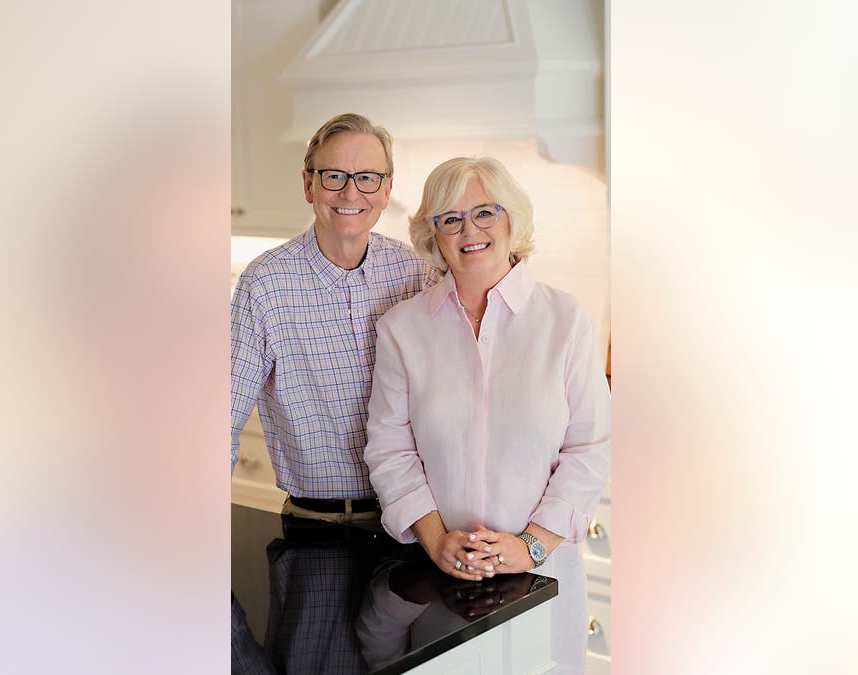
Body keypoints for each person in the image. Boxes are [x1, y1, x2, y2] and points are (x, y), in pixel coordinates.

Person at [363, 156, 611, 672]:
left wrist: (532, 546)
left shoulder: (565, 321)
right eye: (450, 218)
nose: (469, 230)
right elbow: (390, 449)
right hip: (442, 587)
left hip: (542, 580)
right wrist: (437, 541)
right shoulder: (402, 329)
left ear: (511, 220)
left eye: (484, 213)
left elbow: (590, 448)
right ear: (433, 234)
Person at [230, 113, 437, 524]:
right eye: (334, 176)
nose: (350, 192)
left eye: (367, 177)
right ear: (309, 184)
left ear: (386, 189)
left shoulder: (417, 273)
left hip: (419, 520)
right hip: (315, 522)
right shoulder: (266, 284)